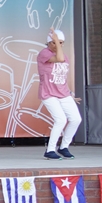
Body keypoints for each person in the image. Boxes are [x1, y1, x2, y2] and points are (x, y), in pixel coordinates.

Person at [37, 28, 81, 159]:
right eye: (55, 42)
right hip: (48, 93)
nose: (58, 45)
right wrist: (55, 39)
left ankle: (63, 147)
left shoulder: (65, 56)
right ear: (49, 42)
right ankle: (50, 150)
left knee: (76, 119)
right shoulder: (44, 53)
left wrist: (70, 94)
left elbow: (62, 78)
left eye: (61, 42)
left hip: (63, 94)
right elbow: (59, 58)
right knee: (61, 120)